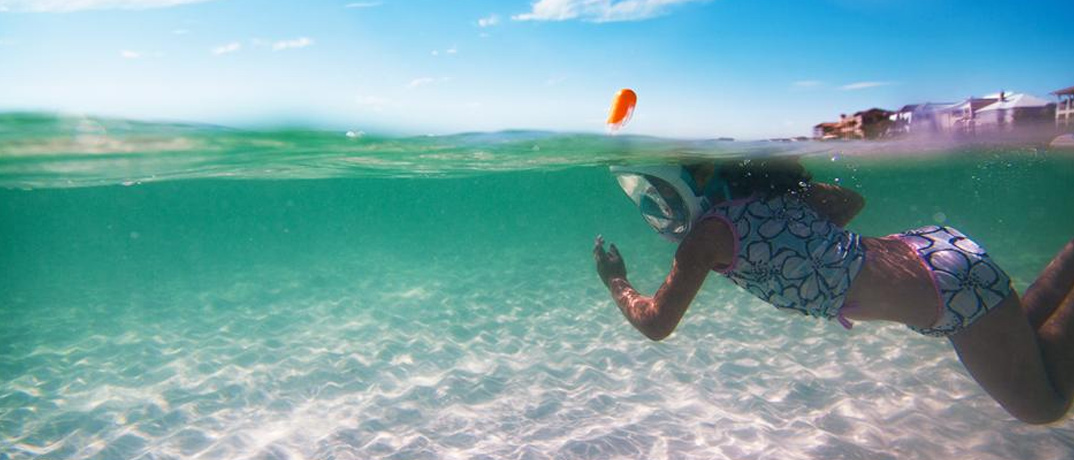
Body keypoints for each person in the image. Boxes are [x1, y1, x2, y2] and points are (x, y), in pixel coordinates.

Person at [593, 158, 1074, 424]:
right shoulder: (768, 199)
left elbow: (656, 322)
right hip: (936, 251)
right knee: (1023, 341)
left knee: (1044, 408)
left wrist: (616, 279)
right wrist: (791, 240)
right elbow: (849, 202)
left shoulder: (706, 239)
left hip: (948, 293)